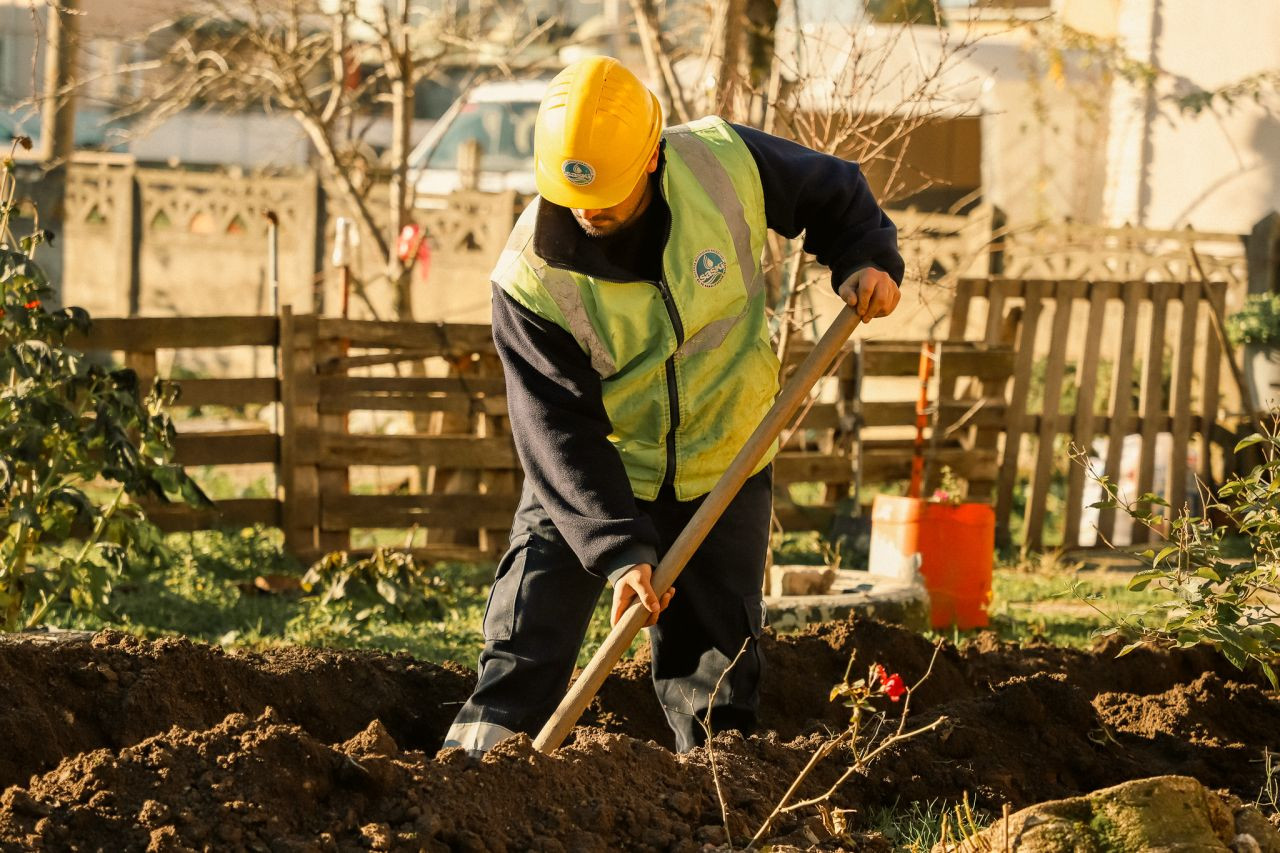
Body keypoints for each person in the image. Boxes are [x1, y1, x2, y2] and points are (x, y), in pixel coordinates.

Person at [443, 56, 903, 755]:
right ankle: (470, 780)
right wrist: (620, 548)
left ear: (653, 157)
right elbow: (556, 430)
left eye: (609, 194)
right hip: (598, 472)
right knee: (527, 635)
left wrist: (865, 254)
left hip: (725, 456)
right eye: (574, 198)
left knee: (715, 666)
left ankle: (712, 797)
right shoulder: (529, 279)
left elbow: (834, 193)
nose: (589, 212)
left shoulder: (722, 162)